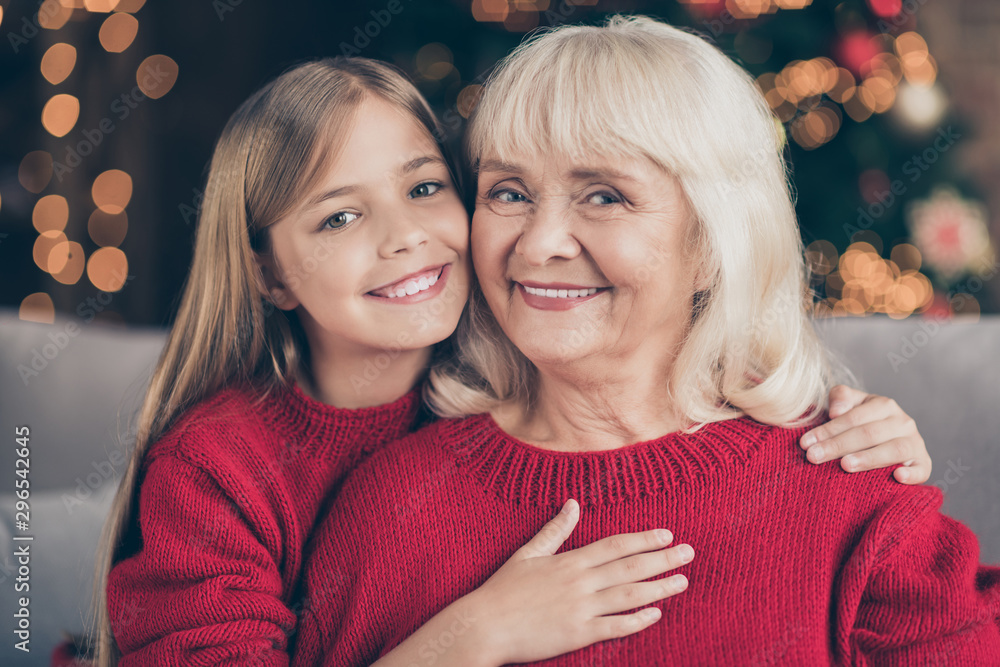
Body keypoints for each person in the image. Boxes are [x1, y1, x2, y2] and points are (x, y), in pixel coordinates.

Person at [95, 56, 933, 666]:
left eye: (426, 189)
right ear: (270, 272)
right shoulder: (227, 464)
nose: (406, 238)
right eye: (339, 218)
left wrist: (862, 430)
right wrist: (471, 636)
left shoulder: (502, 353)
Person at [291, 17, 1000, 667]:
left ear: (711, 246)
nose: (538, 243)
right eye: (508, 192)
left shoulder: (848, 491)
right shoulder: (390, 508)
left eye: (604, 195)